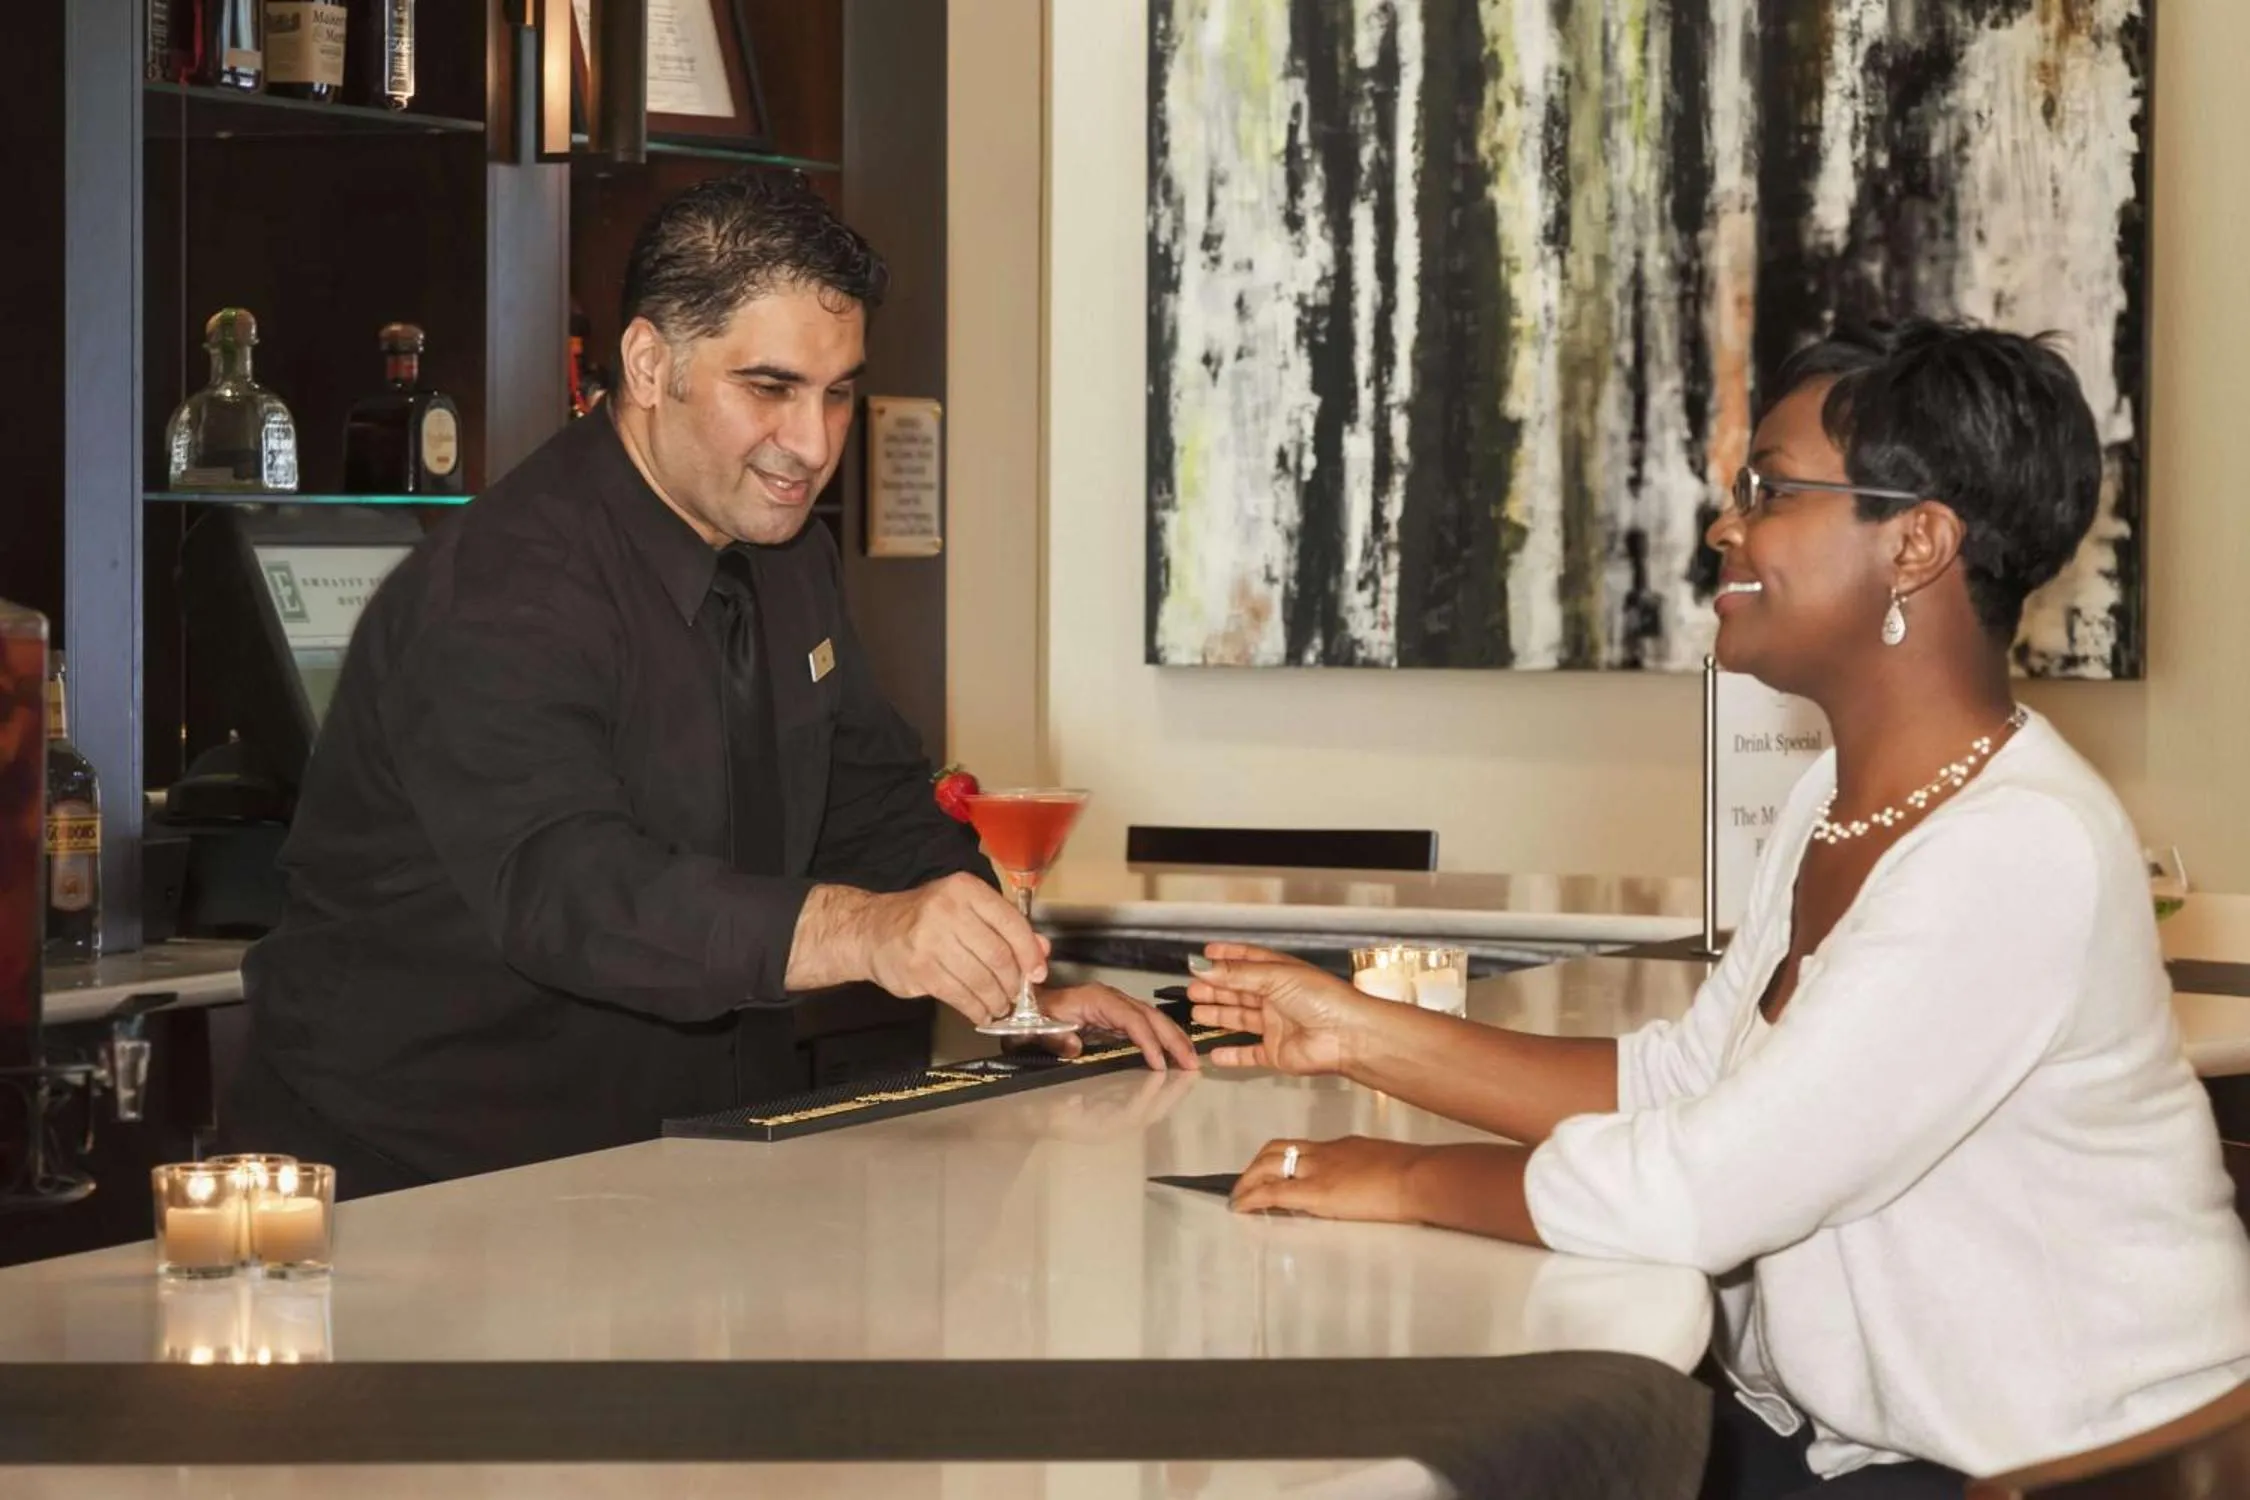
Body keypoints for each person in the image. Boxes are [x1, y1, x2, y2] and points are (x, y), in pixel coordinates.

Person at [1188, 322, 2250, 1497]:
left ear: (1917, 542)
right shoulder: (1832, 802)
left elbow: (1697, 1191)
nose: (1725, 526)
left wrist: (1401, 1183)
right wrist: (1356, 1035)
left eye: (1771, 490)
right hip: (1844, 1444)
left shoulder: (2016, 849)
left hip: (2057, 1474)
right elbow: (1691, 1084)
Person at [227, 173, 1193, 1194]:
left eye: (837, 392)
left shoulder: (785, 554)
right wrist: (864, 931)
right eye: (770, 390)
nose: (815, 446)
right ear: (650, 365)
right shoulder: (506, 586)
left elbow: (866, 800)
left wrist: (1021, 991)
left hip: (669, 1160)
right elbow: (569, 888)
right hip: (424, 1183)